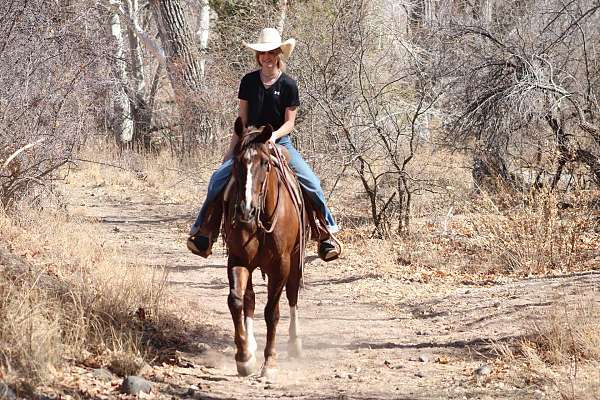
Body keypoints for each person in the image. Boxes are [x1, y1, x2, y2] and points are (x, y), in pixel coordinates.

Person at [187, 27, 340, 261]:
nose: (266, 57)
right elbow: (242, 119)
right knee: (218, 178)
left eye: (271, 52)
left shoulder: (289, 85)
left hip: (280, 142)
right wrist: (231, 151)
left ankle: (325, 233)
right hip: (249, 142)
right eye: (262, 53)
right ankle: (204, 232)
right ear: (258, 56)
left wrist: (274, 136)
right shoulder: (248, 81)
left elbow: (290, 122)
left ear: (278, 53)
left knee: (312, 182)